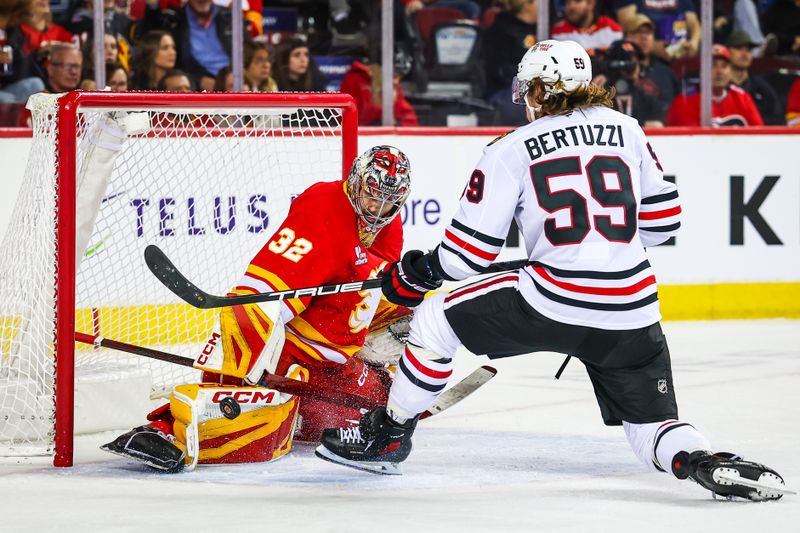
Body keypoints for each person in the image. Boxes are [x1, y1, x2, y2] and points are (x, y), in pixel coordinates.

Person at [316, 39, 788, 502]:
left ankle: (390, 437)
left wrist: (417, 272)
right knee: (650, 427)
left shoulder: (510, 149)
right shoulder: (628, 128)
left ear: (542, 89)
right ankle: (700, 460)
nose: (524, 99)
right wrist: (596, 247)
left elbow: (467, 257)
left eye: (529, 88)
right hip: (632, 312)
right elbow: (664, 225)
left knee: (435, 321)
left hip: (550, 301)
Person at [101, 146, 413, 472]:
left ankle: (293, 407)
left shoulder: (389, 228)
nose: (378, 208)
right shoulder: (326, 208)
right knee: (275, 415)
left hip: (335, 364)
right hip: (293, 357)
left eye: (389, 201)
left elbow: (366, 292)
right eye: (372, 196)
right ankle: (169, 431)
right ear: (355, 181)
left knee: (379, 411)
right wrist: (257, 332)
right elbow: (265, 290)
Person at [136, 0, 244, 92]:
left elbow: (247, 52)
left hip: (234, 77)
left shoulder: (230, 16)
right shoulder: (175, 20)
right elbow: (149, 40)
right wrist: (199, 79)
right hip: (196, 82)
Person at [666, 44, 764, 126]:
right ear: (702, 71)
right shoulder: (684, 102)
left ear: (730, 71)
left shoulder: (743, 98)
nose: (719, 71)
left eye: (724, 66)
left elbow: (761, 136)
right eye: (713, 65)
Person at [483, 0, 538, 126]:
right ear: (528, 3)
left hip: (534, 88)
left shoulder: (542, 29)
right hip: (506, 91)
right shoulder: (499, 30)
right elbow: (498, 71)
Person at [339, 50, 419, 126]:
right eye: (393, 76)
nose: (396, 82)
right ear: (378, 69)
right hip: (360, 135)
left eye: (399, 77)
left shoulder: (392, 85)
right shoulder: (354, 80)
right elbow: (344, 117)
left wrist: (401, 127)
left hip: (384, 136)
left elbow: (406, 114)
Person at [596, 39, 663, 126]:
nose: (633, 68)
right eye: (628, 63)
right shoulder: (601, 96)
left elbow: (657, 126)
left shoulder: (646, 98)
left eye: (634, 63)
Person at [623, 13, 678, 118]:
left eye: (648, 32)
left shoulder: (666, 72)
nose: (644, 37)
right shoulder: (616, 70)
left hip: (662, 131)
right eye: (637, 32)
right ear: (626, 37)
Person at [725, 30, 783, 125]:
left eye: (748, 49)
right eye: (739, 48)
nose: (745, 54)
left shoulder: (763, 88)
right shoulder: (719, 88)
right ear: (727, 52)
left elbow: (778, 120)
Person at [615, 0, 700, 61]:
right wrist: (653, 46)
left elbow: (694, 23)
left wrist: (693, 43)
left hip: (679, 51)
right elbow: (627, 24)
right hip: (643, 56)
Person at [0, 0, 46, 103]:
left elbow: (17, 72)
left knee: (36, 84)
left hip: (5, 84)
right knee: (8, 100)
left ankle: (36, 118)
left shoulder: (11, 33)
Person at [551, 0, 622, 54]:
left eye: (577, 1)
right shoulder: (559, 32)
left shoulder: (611, 28)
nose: (571, 7)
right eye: (567, 3)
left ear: (591, 3)